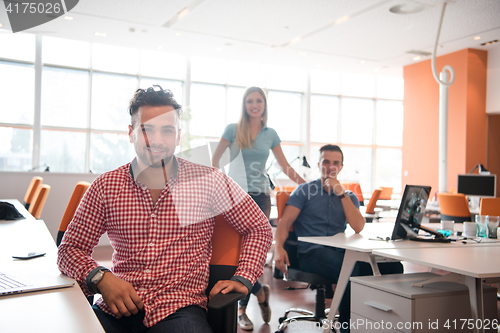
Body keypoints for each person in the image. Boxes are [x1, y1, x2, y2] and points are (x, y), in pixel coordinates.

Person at [57, 85, 273, 333]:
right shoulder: (106, 186)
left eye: (167, 130)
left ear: (178, 135)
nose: (157, 140)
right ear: (131, 133)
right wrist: (101, 278)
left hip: (179, 310)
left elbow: (258, 227)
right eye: (147, 129)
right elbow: (70, 249)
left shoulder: (208, 180)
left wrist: (244, 277)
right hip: (117, 308)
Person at [274, 144, 403, 333]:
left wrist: (340, 192)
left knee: (393, 266)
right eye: (326, 161)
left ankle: (380, 322)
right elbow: (284, 223)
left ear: (341, 167)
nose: (330, 167)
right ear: (318, 164)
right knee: (352, 270)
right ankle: (347, 329)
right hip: (311, 253)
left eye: (336, 163)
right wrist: (279, 247)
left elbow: (358, 226)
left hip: (341, 252)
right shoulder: (303, 191)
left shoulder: (348, 196)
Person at [212, 86, 306, 330]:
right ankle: (259, 292)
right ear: (244, 105)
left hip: (261, 196)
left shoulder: (270, 133)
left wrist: (307, 185)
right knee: (235, 254)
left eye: (259, 101)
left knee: (251, 253)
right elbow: (215, 161)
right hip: (233, 197)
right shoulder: (232, 129)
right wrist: (220, 186)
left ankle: (242, 310)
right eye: (250, 101)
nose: (254, 105)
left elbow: (284, 166)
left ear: (264, 105)